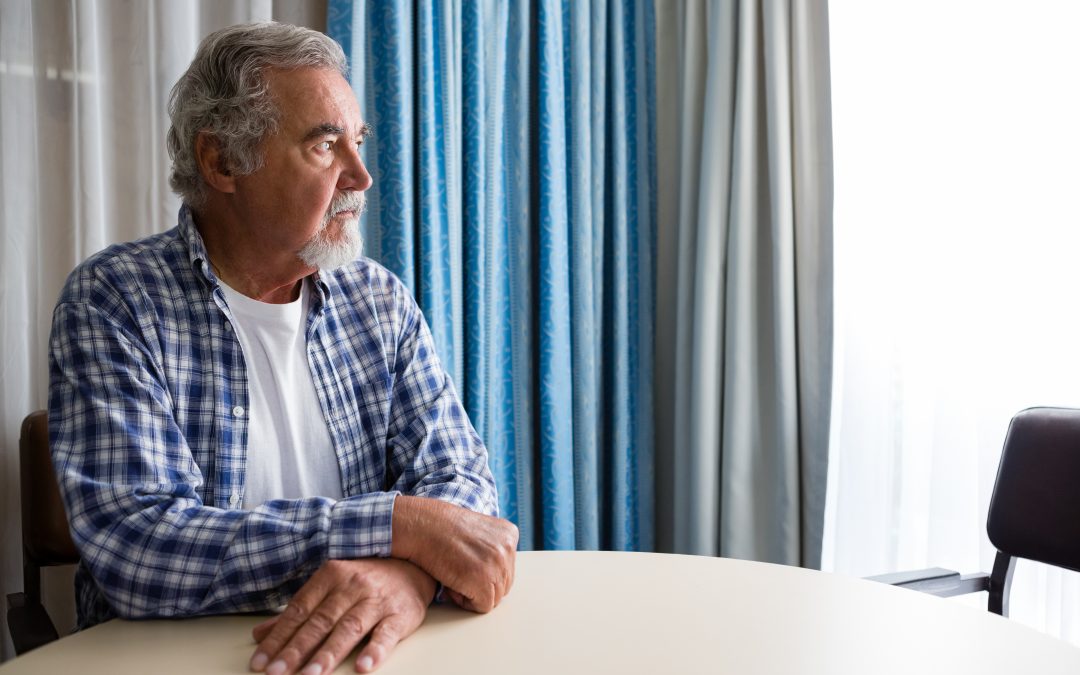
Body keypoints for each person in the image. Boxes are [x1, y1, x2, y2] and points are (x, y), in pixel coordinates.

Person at [48, 21, 517, 675]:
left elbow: (464, 494)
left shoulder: (378, 299)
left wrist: (404, 582)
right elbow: (141, 552)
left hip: (366, 655)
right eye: (326, 146)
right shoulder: (115, 300)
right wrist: (396, 526)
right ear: (222, 162)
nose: (363, 176)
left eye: (358, 142)